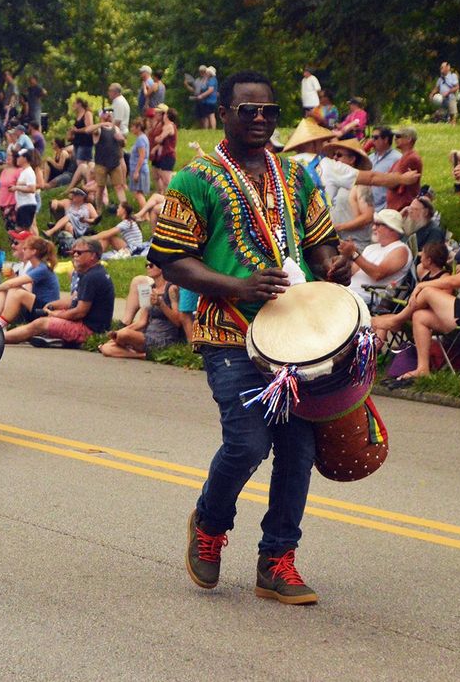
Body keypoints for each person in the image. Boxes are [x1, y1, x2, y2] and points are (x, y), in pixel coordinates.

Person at [149, 70, 351, 607]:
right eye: (247, 110)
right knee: (248, 442)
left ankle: (277, 559)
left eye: (268, 110)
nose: (259, 119)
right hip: (231, 335)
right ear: (225, 113)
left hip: (301, 340)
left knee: (298, 449)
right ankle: (210, 526)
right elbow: (170, 259)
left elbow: (321, 241)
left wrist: (335, 267)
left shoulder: (295, 175)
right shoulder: (194, 179)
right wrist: (239, 285)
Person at [375, 231, 460, 383]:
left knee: (427, 292)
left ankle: (397, 320)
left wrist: (422, 285)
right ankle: (422, 368)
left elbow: (453, 282)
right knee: (420, 316)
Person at [4, 236, 116, 347]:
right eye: (73, 252)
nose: (75, 255)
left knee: (40, 323)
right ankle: (49, 337)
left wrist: (56, 315)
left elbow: (80, 312)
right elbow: (75, 300)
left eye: (79, 253)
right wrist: (54, 305)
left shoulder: (92, 277)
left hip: (89, 329)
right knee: (46, 319)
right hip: (86, 323)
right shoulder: (91, 273)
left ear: (93, 255)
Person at [99, 260, 184, 358]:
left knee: (123, 335)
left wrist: (161, 304)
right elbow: (142, 322)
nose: (148, 267)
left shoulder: (171, 289)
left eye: (151, 265)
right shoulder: (149, 289)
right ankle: (142, 355)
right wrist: (118, 333)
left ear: (162, 268)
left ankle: (132, 348)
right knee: (106, 348)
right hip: (147, 335)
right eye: (146, 265)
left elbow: (178, 321)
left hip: (163, 338)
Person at [341, 208, 412, 306]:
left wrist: (354, 254)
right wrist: (344, 255)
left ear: (391, 228)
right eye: (374, 224)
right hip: (348, 292)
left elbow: (377, 274)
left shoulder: (401, 250)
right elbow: (352, 271)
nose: (373, 227)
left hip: (365, 300)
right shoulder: (371, 247)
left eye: (378, 224)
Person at [0, 235, 60, 328]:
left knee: (15, 290)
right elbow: (22, 288)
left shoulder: (42, 269)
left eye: (25, 249)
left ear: (33, 251)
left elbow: (13, 284)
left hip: (47, 309)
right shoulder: (33, 268)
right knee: (10, 289)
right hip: (37, 306)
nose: (23, 251)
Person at [92, 108, 128, 208]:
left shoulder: (116, 129)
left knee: (119, 187)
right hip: (101, 164)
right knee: (100, 188)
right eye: (107, 114)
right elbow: (89, 130)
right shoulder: (98, 129)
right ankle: (98, 210)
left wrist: (121, 140)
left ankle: (125, 209)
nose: (109, 116)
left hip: (115, 164)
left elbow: (123, 144)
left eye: (110, 114)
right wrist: (100, 124)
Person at [382, 127, 423, 213]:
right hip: (395, 208)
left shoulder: (411, 158)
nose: (395, 139)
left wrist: (390, 178)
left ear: (408, 139)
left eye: (398, 136)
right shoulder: (402, 158)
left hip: (403, 207)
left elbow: (391, 183)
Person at [44, 186, 98, 250]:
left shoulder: (88, 206)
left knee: (70, 216)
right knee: (68, 225)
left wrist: (85, 220)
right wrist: (54, 202)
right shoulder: (67, 202)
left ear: (83, 196)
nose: (73, 196)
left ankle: (51, 231)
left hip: (83, 228)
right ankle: (70, 246)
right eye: (73, 194)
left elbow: (96, 220)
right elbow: (57, 202)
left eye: (76, 194)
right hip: (70, 227)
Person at [366, 126, 401, 212]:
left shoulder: (397, 158)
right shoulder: (370, 158)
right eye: (372, 137)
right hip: (366, 207)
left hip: (384, 209)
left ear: (385, 140)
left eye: (376, 138)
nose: (372, 140)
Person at [150, 104, 178, 192]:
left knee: (166, 180)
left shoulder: (169, 126)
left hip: (168, 155)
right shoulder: (160, 124)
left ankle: (171, 198)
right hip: (160, 155)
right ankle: (161, 195)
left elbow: (160, 139)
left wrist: (157, 139)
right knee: (156, 175)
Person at [10, 148, 39, 232]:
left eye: (19, 157)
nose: (17, 159)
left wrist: (16, 187)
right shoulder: (24, 172)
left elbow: (32, 188)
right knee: (22, 229)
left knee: (24, 230)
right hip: (22, 205)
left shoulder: (29, 172)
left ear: (25, 158)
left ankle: (33, 244)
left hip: (27, 205)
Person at [127, 118, 151, 209]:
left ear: (139, 127)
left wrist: (136, 171)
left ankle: (145, 215)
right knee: (138, 193)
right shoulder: (142, 138)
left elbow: (142, 156)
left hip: (139, 170)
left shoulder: (141, 139)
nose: (131, 129)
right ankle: (144, 213)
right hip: (138, 168)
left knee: (138, 193)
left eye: (133, 127)